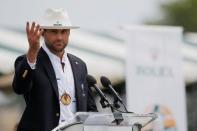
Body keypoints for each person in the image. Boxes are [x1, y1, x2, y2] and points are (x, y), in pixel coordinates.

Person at [12, 8, 97, 131]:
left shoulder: (80, 65)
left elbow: (90, 108)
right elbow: (19, 88)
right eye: (54, 32)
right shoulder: (30, 61)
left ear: (69, 33)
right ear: (42, 33)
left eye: (63, 32)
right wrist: (32, 52)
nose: (59, 37)